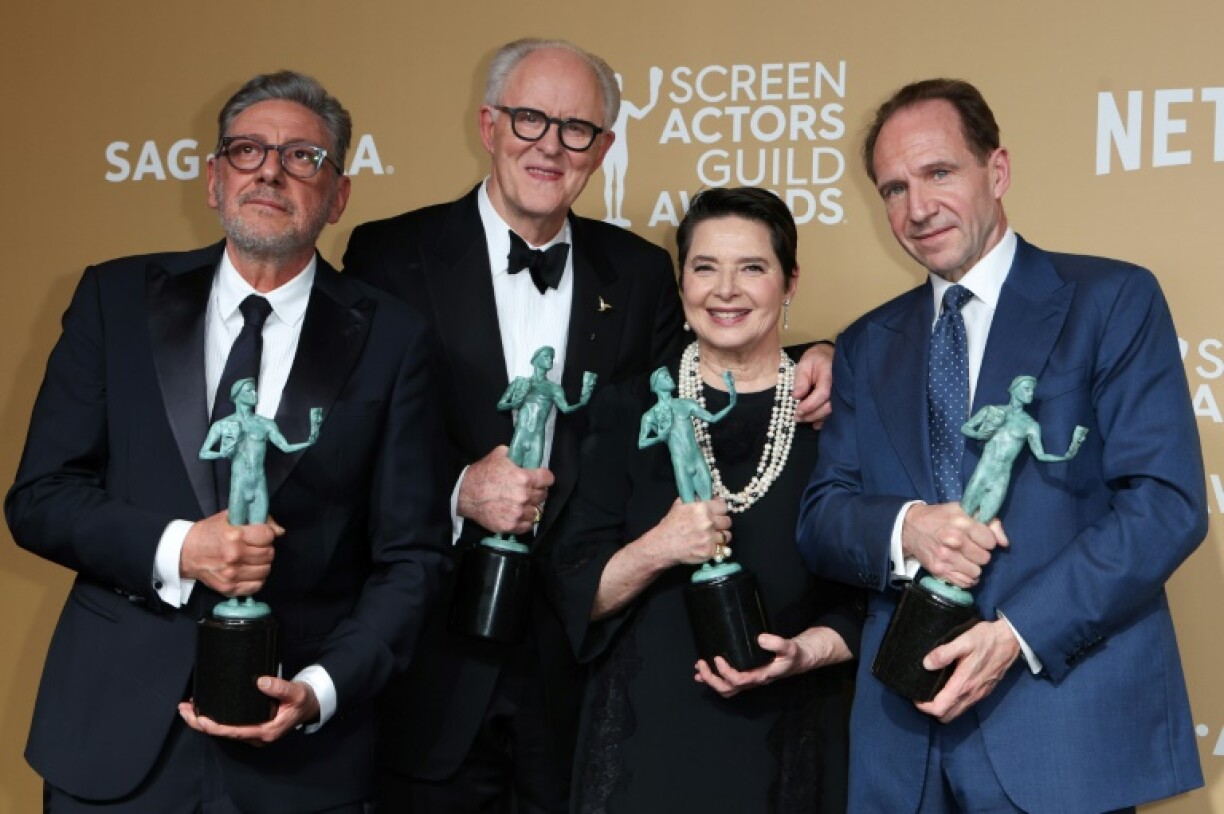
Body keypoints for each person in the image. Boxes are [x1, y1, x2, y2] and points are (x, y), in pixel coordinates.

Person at [342, 38, 835, 812]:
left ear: (602, 149)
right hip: (437, 655)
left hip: (577, 672)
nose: (550, 145)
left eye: (577, 129)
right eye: (531, 119)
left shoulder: (638, 272)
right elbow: (354, 436)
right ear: (489, 124)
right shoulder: (387, 254)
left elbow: (724, 354)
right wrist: (460, 488)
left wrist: (822, 354)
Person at [5, 70, 451, 813]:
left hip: (301, 757)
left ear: (338, 195)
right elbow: (41, 499)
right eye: (247, 151)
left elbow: (412, 559)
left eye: (302, 157)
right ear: (214, 180)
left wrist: (320, 690)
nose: (270, 170)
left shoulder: (394, 340)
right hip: (113, 742)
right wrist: (181, 548)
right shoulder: (112, 300)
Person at [796, 78, 1205, 813]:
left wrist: (1016, 635)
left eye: (939, 173)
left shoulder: (1111, 301)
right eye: (893, 188)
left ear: (998, 171)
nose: (917, 208)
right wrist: (905, 528)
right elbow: (824, 516)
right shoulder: (863, 345)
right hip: (903, 749)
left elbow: (1166, 504)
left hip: (1062, 733)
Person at [551, 187, 862, 813]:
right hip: (650, 750)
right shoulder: (623, 409)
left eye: (752, 267)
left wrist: (805, 653)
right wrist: (659, 548)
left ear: (789, 281)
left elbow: (875, 594)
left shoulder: (836, 412)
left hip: (794, 742)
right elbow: (573, 593)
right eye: (704, 267)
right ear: (681, 280)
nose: (726, 290)